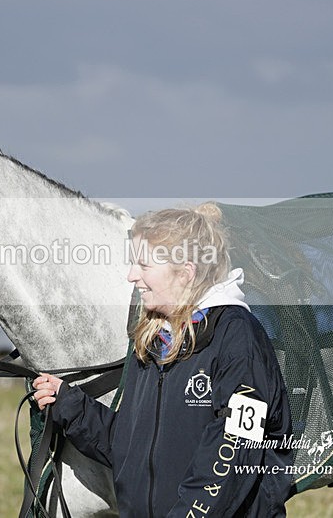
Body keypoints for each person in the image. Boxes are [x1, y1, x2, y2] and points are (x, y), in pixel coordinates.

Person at [32, 203, 293, 517]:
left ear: (185, 273)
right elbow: (129, 447)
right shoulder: (156, 339)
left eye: (143, 265)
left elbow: (236, 448)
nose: (132, 276)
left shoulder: (237, 336)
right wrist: (68, 404)